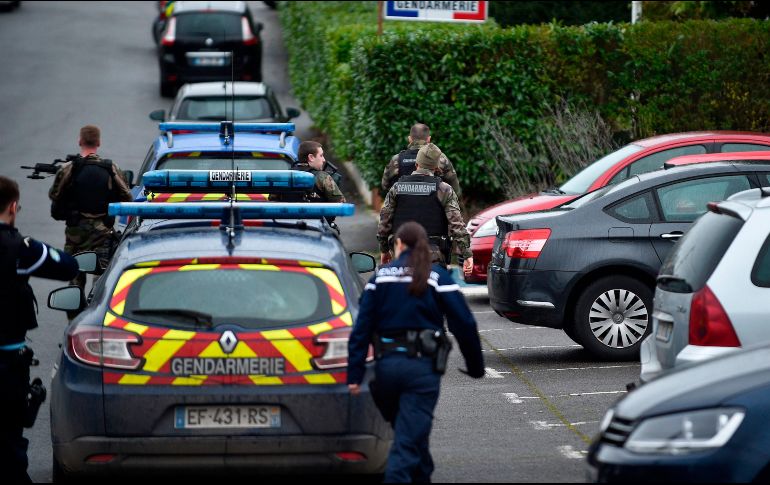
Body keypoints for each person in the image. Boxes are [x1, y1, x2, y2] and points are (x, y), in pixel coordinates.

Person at [348, 221, 485, 483]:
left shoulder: (380, 278)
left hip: (385, 372)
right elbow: (464, 324)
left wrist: (354, 374)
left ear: (398, 244)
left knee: (409, 432)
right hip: (421, 372)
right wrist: (476, 367)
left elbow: (360, 330)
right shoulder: (436, 277)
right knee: (407, 444)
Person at [0, 176, 79, 483]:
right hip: (6, 364)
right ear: (14, 206)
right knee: (8, 445)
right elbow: (68, 266)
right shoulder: (18, 249)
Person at [48, 125, 133, 291]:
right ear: (98, 143)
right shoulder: (110, 168)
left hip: (75, 235)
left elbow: (54, 195)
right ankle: (99, 312)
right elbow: (127, 196)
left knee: (74, 280)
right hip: (102, 233)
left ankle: (75, 316)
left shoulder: (69, 168)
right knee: (101, 280)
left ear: (80, 141)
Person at [378, 143, 473, 274]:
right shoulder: (444, 189)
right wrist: (467, 254)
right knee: (433, 291)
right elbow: (457, 225)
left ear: (416, 164)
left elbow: (384, 222)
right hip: (434, 255)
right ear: (436, 167)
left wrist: (384, 250)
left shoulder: (397, 188)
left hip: (402, 252)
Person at [381, 123, 463, 205]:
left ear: (409, 139)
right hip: (433, 212)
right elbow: (455, 187)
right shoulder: (440, 158)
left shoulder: (396, 159)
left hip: (403, 211)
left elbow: (385, 185)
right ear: (428, 139)